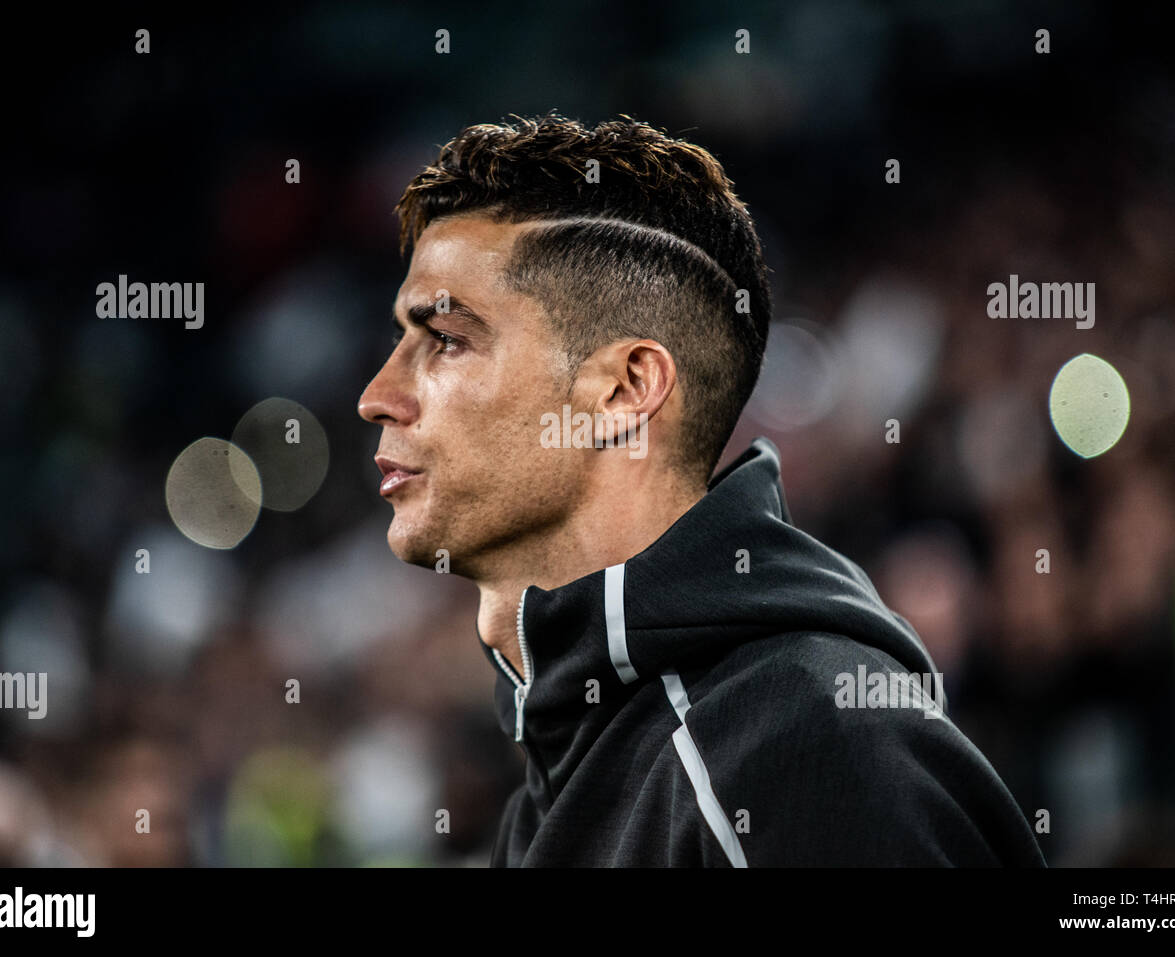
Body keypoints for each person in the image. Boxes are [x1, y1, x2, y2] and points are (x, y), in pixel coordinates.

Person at [357, 113, 1046, 867]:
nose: (378, 395)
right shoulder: (565, 776)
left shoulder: (809, 750)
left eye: (447, 340)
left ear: (625, 390)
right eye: (400, 341)